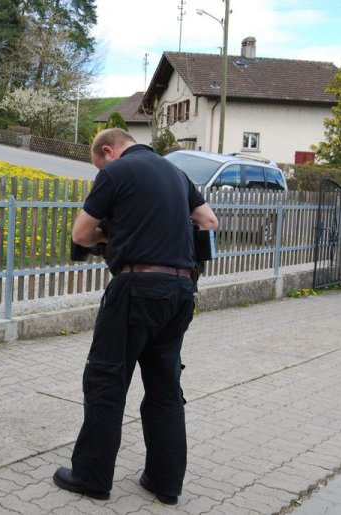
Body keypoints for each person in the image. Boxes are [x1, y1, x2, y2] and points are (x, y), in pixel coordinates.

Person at [53, 128, 219, 504]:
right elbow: (209, 222)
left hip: (136, 289)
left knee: (106, 381)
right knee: (164, 389)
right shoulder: (176, 173)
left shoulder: (116, 172)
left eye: (99, 163)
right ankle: (166, 484)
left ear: (108, 151)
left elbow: (81, 234)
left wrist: (110, 238)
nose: (100, 169)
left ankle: (91, 478)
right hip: (180, 292)